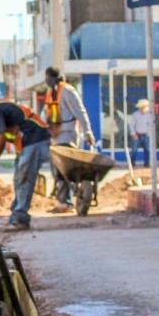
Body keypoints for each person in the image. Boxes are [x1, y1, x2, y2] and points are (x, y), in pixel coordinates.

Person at [0, 99, 51, 231]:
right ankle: (16, 216)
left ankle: (20, 218)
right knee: (18, 179)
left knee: (24, 178)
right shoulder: (0, 109)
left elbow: (0, 138)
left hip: (34, 139)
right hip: (27, 142)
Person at [42, 66, 95, 212]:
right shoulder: (51, 93)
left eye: (48, 77)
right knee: (57, 170)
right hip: (55, 136)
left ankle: (66, 202)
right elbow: (45, 114)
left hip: (67, 134)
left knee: (64, 170)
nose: (46, 81)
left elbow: (80, 111)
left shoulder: (67, 91)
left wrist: (88, 133)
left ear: (55, 78)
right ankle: (63, 200)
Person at [129, 98, 151, 167]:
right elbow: (131, 125)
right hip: (137, 135)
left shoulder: (148, 115)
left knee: (147, 150)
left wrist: (149, 133)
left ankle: (146, 164)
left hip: (145, 135)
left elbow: (150, 125)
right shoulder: (135, 115)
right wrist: (134, 134)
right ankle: (132, 164)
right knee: (134, 150)